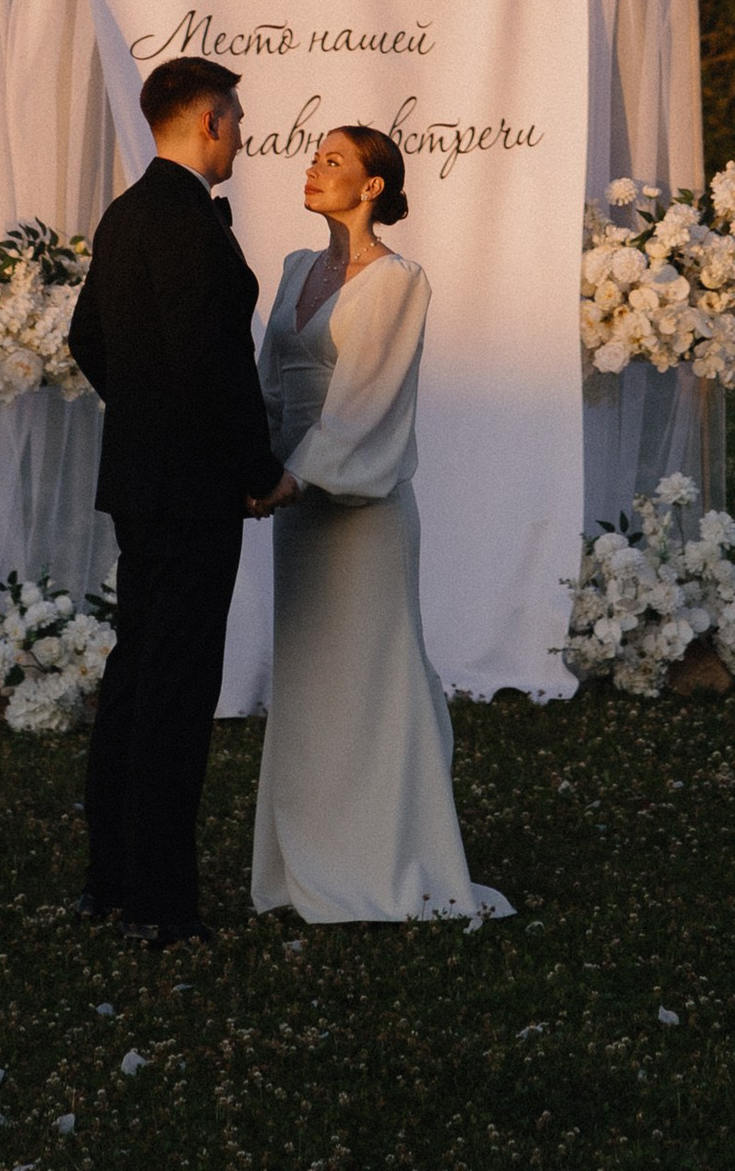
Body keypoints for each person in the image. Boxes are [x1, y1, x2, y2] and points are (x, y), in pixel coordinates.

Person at [251, 122, 509, 924]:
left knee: (372, 678)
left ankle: (385, 859)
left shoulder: (399, 280)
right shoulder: (295, 269)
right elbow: (268, 384)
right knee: (309, 681)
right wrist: (253, 467)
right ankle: (307, 862)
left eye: (332, 161)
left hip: (359, 510)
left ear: (371, 187)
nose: (313, 168)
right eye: (313, 157)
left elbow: (368, 395)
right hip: (295, 506)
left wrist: (297, 475)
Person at [67, 54, 295, 941]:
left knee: (134, 678)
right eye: (236, 118)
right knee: (176, 692)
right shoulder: (191, 225)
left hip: (138, 482)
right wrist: (257, 471)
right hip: (195, 491)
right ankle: (160, 906)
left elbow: (89, 337)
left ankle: (110, 882)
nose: (242, 134)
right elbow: (214, 368)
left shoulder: (125, 213)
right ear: (208, 120)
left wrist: (145, 417)